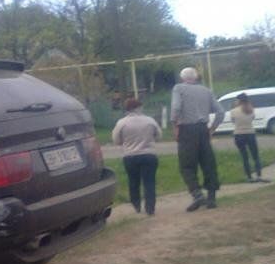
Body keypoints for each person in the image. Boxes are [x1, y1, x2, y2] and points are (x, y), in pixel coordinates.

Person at [170, 67, 224, 211]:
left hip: (187, 130)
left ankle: (197, 194)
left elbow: (176, 108)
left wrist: (175, 125)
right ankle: (211, 198)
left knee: (186, 165)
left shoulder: (179, 88)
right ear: (196, 78)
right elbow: (220, 112)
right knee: (208, 163)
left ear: (183, 78)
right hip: (203, 129)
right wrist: (212, 129)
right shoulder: (206, 90)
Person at [112, 98, 162, 215]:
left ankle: (136, 206)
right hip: (149, 154)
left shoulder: (122, 123)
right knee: (149, 182)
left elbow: (116, 140)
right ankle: (150, 208)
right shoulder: (150, 120)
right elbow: (159, 136)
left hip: (130, 156)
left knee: (133, 181)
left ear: (127, 109)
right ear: (139, 107)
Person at [230, 92, 264, 182]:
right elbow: (252, 119)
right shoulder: (251, 109)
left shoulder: (233, 111)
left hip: (239, 134)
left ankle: (249, 177)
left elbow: (233, 121)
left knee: (245, 157)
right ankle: (259, 176)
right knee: (255, 156)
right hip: (250, 133)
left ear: (238, 100)